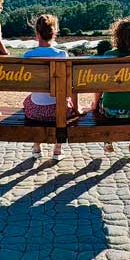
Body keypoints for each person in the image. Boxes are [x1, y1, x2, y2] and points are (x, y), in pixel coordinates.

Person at [93, 17, 130, 152]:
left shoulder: (108, 55)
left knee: (104, 106)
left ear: (117, 36)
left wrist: (95, 104)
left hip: (110, 111)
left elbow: (99, 88)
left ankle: (108, 140)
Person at [22, 13, 77, 159]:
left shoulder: (27, 56)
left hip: (35, 112)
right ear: (54, 34)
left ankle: (36, 146)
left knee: (29, 100)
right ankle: (57, 150)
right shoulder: (62, 55)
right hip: (59, 111)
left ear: (37, 34)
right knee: (64, 100)